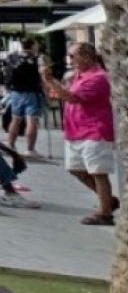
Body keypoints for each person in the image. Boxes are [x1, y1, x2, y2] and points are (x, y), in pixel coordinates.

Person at [45, 42, 117, 225]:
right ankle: (107, 200)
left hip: (94, 129)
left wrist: (50, 80)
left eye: (73, 56)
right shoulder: (78, 76)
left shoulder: (99, 77)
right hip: (75, 130)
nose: (70, 60)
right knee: (76, 169)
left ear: (86, 56)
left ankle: (104, 213)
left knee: (98, 171)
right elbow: (62, 95)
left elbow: (73, 98)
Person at [3, 37, 47, 159]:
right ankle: (30, 149)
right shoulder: (37, 58)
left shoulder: (12, 56)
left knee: (15, 119)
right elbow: (42, 75)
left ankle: (11, 145)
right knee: (31, 121)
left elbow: (7, 72)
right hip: (32, 91)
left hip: (16, 91)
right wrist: (46, 90)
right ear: (32, 45)